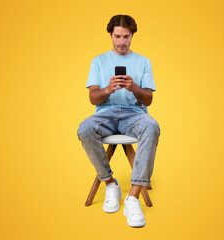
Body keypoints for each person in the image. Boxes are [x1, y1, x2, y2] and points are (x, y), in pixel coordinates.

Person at [77, 14, 160, 228]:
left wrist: (134, 88)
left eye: (126, 36)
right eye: (117, 36)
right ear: (110, 35)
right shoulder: (99, 60)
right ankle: (109, 182)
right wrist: (107, 89)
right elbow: (93, 97)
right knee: (85, 128)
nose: (122, 42)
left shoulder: (143, 62)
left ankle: (133, 197)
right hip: (105, 113)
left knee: (152, 126)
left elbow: (148, 100)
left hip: (134, 114)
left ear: (132, 35)